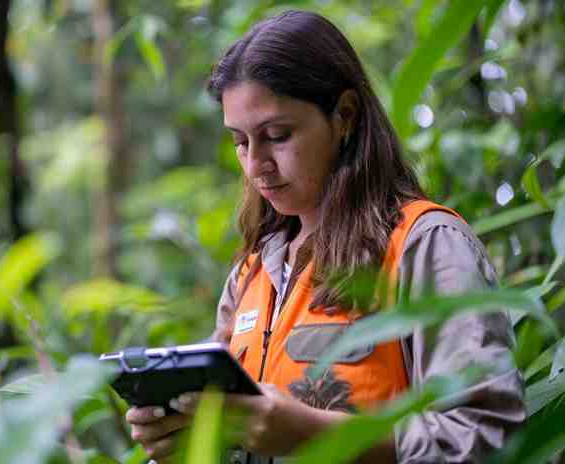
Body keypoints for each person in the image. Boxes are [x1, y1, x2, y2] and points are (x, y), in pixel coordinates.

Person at [125, 9, 524, 464]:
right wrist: (181, 439)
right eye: (240, 141)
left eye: (277, 135)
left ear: (345, 116)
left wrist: (311, 433)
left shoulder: (425, 244)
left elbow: (486, 436)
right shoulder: (251, 273)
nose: (256, 165)